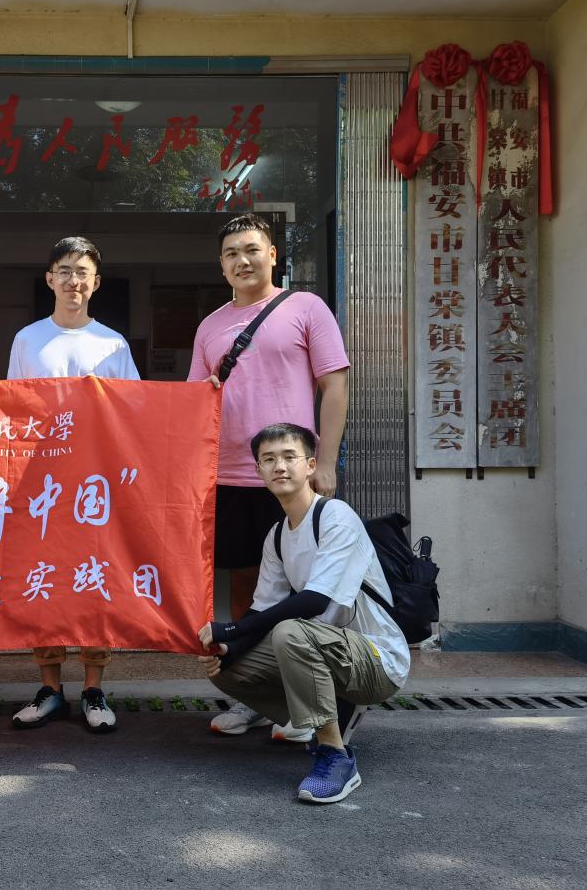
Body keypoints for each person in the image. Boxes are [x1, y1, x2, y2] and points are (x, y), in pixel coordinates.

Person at [188, 213, 350, 740]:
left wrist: (325, 461)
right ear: (221, 264)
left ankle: (309, 703)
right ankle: (256, 697)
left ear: (273, 254)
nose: (243, 260)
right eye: (231, 253)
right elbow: (194, 404)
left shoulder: (306, 308)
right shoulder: (210, 326)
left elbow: (335, 385)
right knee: (246, 589)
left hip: (292, 476)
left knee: (306, 589)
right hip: (229, 475)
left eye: (252, 249)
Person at [197, 423, 409, 804]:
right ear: (258, 471)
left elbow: (314, 601)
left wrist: (230, 630)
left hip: (378, 658)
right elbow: (262, 609)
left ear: (310, 465)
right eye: (269, 459)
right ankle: (324, 714)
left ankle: (336, 756)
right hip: (325, 648)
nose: (279, 466)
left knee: (290, 632)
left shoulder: (335, 516)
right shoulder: (277, 536)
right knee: (225, 667)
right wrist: (230, 648)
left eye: (289, 457)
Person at [6, 236, 139, 733]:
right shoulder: (28, 339)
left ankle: (93, 687)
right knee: (42, 579)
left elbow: (135, 410)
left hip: (95, 484)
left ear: (96, 282)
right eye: (64, 270)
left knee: (92, 578)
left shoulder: (113, 343)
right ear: (50, 279)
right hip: (40, 483)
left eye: (82, 272)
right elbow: (13, 409)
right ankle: (49, 688)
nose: (73, 281)